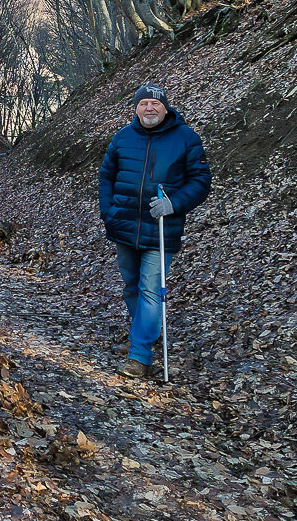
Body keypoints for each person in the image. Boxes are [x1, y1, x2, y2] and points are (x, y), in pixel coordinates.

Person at [98, 83, 212, 378]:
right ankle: (142, 336)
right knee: (131, 286)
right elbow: (106, 176)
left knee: (150, 290)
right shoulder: (122, 138)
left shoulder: (186, 139)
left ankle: (140, 355)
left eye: (155, 103)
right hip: (123, 226)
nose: (149, 108)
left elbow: (201, 182)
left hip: (162, 228)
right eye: (143, 103)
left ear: (165, 107)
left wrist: (173, 204)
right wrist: (108, 212)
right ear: (136, 108)